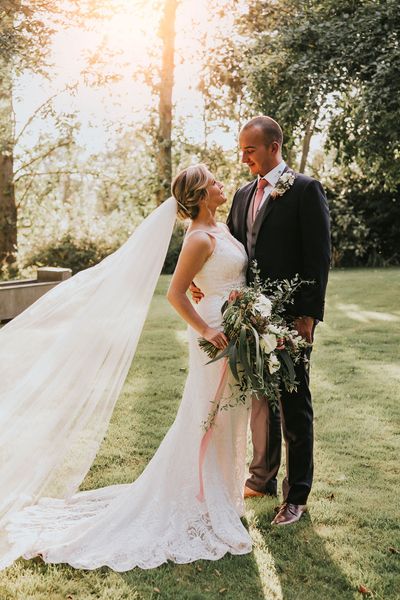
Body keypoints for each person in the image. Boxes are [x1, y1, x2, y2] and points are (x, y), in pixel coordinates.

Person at [1, 164, 253, 572]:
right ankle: (200, 496)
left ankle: (221, 493)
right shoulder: (198, 239)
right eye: (214, 181)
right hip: (214, 334)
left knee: (228, 413)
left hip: (235, 327)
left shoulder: (220, 229)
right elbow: (175, 293)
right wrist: (206, 328)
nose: (222, 183)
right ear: (202, 194)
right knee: (208, 415)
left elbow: (219, 276)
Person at [191, 116, 331, 525]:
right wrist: (200, 283)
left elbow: (318, 257)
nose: (243, 157)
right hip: (248, 316)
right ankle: (261, 478)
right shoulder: (241, 194)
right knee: (259, 399)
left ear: (273, 147)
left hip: (290, 318)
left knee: (293, 401)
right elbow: (228, 248)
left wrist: (307, 314)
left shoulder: (306, 190)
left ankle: (296, 496)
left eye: (249, 150)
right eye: (241, 149)